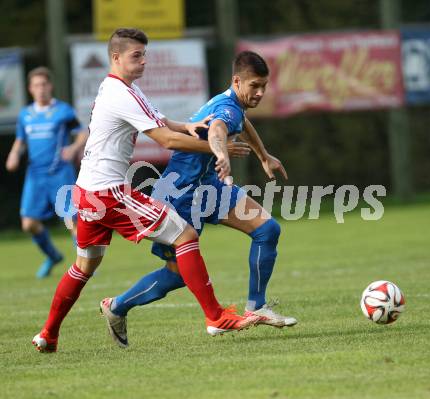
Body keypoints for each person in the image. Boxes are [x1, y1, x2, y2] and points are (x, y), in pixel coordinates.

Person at [31, 28, 259, 353]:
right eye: (136, 55)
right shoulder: (122, 93)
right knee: (185, 236)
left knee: (83, 267)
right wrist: (212, 144)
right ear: (116, 57)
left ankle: (48, 334)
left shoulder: (119, 88)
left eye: (144, 55)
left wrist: (186, 126)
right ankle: (216, 317)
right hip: (109, 193)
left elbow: (161, 121)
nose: (143, 61)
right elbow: (165, 140)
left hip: (86, 192)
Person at [101, 51, 297, 349]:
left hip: (207, 187)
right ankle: (117, 306)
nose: (259, 93)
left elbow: (241, 123)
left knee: (267, 230)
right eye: (255, 86)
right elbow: (219, 129)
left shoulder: (233, 104)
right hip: (179, 194)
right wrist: (221, 153)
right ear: (237, 81)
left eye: (264, 86)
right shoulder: (226, 109)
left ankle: (256, 307)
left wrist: (263, 155)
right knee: (176, 276)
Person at [5, 67, 88, 278]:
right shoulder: (26, 115)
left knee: (72, 220)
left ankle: (84, 264)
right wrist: (14, 154)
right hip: (35, 175)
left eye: (44, 84)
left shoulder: (63, 111)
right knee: (28, 223)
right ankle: (52, 256)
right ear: (30, 89)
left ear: (50, 86)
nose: (40, 89)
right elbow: (21, 140)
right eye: (36, 85)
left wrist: (73, 148)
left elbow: (82, 133)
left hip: (60, 173)